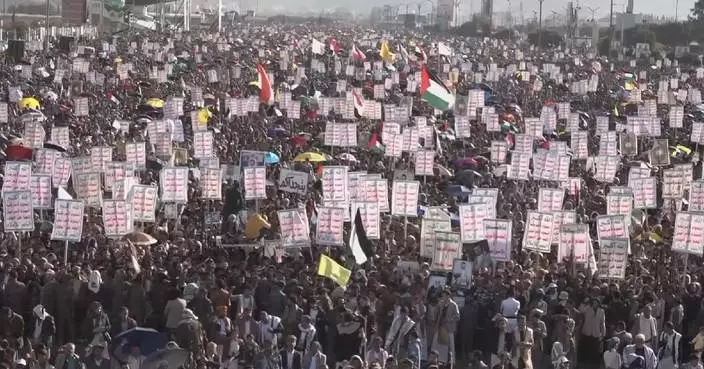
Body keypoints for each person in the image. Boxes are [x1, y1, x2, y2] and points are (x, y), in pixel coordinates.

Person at [578, 297, 605, 368]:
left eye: (596, 302)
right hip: (587, 331)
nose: (595, 303)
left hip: (596, 332)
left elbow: (602, 323)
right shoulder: (587, 308)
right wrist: (584, 302)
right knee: (587, 347)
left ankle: (594, 364)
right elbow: (580, 310)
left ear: (598, 303)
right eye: (593, 302)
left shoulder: (601, 311)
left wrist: (603, 334)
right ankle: (585, 362)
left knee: (595, 349)